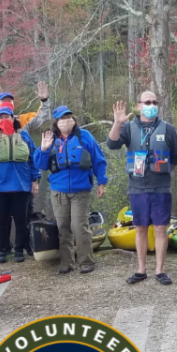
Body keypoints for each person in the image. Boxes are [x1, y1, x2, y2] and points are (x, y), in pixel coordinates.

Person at [107, 91, 177, 285]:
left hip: (161, 187)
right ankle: (141, 270)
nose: (152, 105)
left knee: (160, 228)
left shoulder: (168, 129)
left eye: (154, 102)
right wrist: (117, 123)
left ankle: (160, 271)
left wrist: (166, 169)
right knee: (140, 228)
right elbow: (112, 144)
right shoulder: (128, 128)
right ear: (138, 106)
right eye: (147, 102)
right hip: (137, 187)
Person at [33, 106, 109, 274]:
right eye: (62, 118)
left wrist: (102, 182)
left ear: (73, 119)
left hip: (80, 190)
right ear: (56, 122)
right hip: (58, 191)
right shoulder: (50, 139)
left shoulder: (85, 136)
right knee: (63, 227)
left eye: (68, 117)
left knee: (79, 226)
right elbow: (40, 165)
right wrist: (43, 150)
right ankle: (67, 262)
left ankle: (86, 261)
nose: (66, 121)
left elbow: (99, 160)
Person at [0, 104, 40, 263]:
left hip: (22, 184)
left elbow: (34, 158)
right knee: (1, 219)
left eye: (7, 116)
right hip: (0, 185)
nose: (4, 119)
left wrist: (35, 180)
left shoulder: (23, 135)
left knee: (21, 219)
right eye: (1, 117)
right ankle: (2, 250)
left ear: (13, 118)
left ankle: (19, 250)